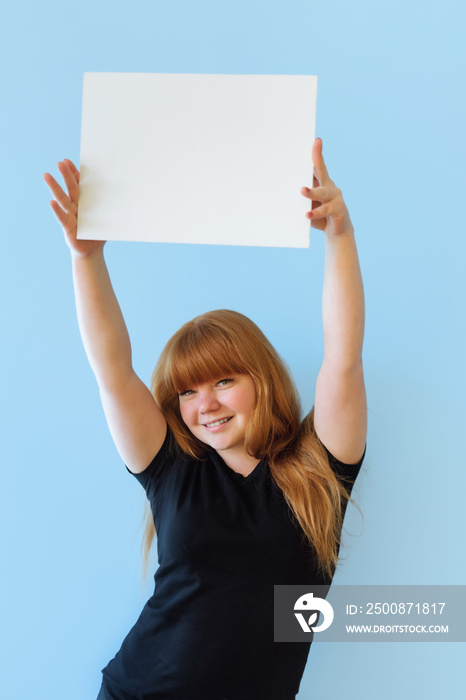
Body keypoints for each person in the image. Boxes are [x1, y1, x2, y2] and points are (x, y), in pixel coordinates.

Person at [43, 137, 367, 700]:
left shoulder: (318, 471)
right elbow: (114, 372)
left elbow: (342, 358)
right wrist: (86, 258)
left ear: (260, 379)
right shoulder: (172, 472)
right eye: (187, 392)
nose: (205, 405)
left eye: (223, 381)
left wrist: (340, 235)